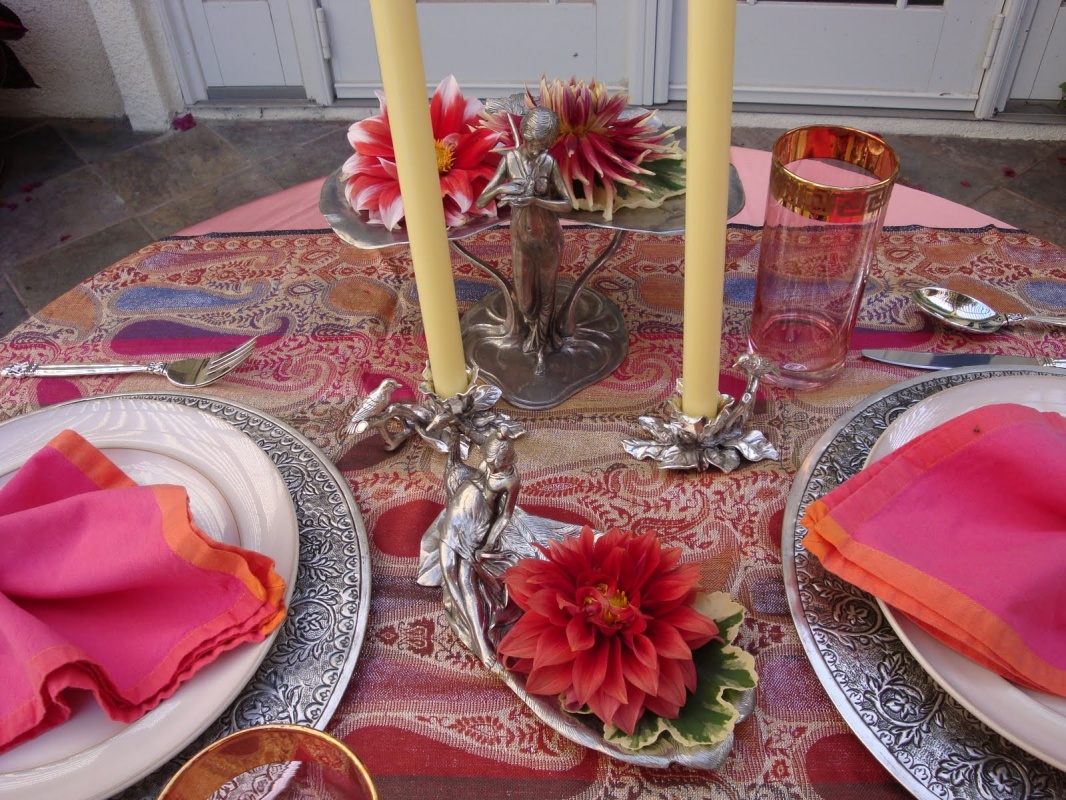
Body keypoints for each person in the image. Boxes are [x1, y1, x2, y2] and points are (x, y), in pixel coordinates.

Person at [477, 107, 571, 373]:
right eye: (534, 142)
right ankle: (531, 327)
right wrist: (502, 187)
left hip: (548, 236)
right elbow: (482, 200)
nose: (538, 149)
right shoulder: (510, 160)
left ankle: (541, 347)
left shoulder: (549, 163)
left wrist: (536, 200)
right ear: (525, 135)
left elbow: (567, 204)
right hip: (520, 237)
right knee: (526, 299)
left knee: (547, 292)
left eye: (544, 144)